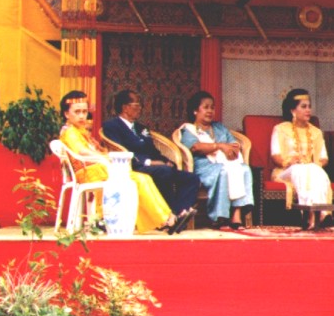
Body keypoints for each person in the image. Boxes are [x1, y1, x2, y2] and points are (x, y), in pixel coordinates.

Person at [59, 90, 186, 234]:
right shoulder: (70, 132)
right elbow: (82, 151)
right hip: (89, 172)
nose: (82, 116)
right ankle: (166, 220)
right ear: (66, 114)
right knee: (139, 180)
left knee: (142, 178)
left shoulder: (81, 131)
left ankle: (167, 218)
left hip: (99, 169)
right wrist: (103, 157)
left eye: (84, 111)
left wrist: (104, 156)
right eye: (77, 112)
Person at [102, 89, 200, 227]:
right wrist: (149, 162)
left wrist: (166, 161)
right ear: (125, 107)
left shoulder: (142, 128)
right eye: (137, 104)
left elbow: (153, 150)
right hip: (133, 167)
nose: (140, 108)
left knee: (191, 178)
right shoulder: (112, 126)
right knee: (163, 171)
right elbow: (120, 150)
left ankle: (178, 215)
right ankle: (169, 216)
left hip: (156, 167)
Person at [179, 91, 254, 230]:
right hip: (204, 167)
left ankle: (236, 214)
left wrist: (233, 150)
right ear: (195, 111)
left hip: (226, 163)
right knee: (223, 171)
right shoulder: (188, 130)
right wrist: (220, 146)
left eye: (212, 107)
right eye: (206, 107)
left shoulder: (219, 127)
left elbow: (234, 144)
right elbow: (196, 147)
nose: (210, 111)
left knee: (244, 168)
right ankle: (220, 217)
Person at [271, 89, 333, 231]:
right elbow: (275, 156)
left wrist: (313, 165)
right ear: (293, 110)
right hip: (285, 171)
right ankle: (313, 214)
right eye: (304, 107)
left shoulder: (316, 132)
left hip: (310, 171)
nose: (308, 110)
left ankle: (317, 214)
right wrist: (289, 161)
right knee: (300, 169)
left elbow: (324, 158)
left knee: (314, 170)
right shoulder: (280, 129)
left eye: (309, 106)